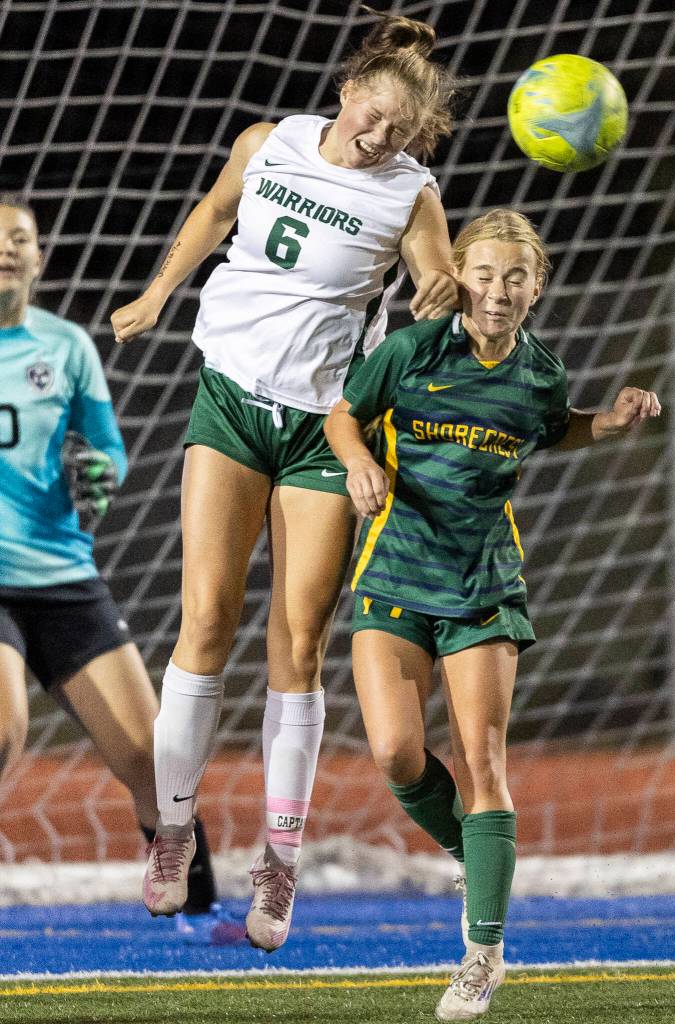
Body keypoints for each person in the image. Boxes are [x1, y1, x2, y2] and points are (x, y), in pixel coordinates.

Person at [109, 8, 461, 948]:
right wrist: (155, 293)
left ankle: (280, 864)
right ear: (345, 92)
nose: (375, 137)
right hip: (229, 402)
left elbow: (436, 278)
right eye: (369, 116)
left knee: (297, 645)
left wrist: (442, 289)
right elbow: (217, 211)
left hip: (324, 429)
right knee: (205, 619)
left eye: (397, 131)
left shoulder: (410, 193)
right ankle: (174, 833)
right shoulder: (269, 142)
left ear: (414, 137)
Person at [323, 208, 661, 1021]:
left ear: (536, 286)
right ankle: (477, 865)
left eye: (516, 277)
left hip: (483, 585)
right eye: (484, 273)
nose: (499, 290)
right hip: (395, 575)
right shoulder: (409, 350)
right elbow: (341, 415)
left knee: (481, 759)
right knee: (398, 754)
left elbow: (555, 429)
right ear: (459, 275)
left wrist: (605, 423)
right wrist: (360, 460)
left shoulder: (539, 372)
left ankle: (482, 953)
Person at [0, 197, 234, 939]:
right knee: (3, 730)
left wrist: (98, 471)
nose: (7, 248)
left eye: (19, 238)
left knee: (156, 761)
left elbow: (109, 449)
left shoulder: (66, 346)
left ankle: (200, 917)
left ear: (40, 258)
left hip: (64, 579)